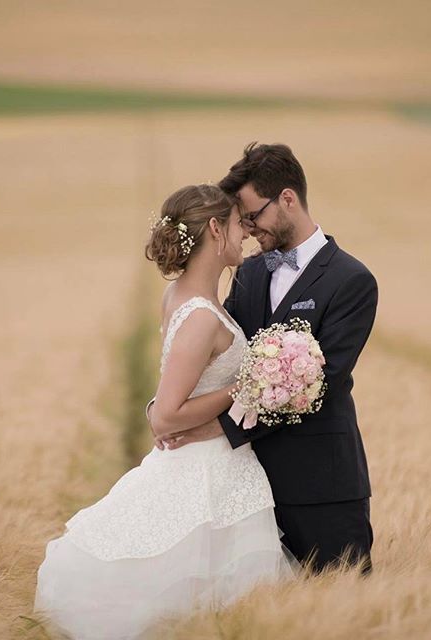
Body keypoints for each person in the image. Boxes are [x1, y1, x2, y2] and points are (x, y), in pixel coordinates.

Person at [34, 184, 294, 640]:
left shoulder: (182, 296)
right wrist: (244, 386)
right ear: (215, 228)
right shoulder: (200, 315)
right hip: (208, 474)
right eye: (237, 224)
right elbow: (167, 417)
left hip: (220, 466)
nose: (245, 233)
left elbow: (167, 396)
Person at [162, 143, 378, 574]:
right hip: (244, 491)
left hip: (321, 486)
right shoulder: (250, 272)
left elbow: (318, 385)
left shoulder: (352, 281)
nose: (246, 229)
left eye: (253, 215)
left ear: (287, 199)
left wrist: (210, 429)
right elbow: (224, 359)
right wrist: (168, 409)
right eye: (241, 221)